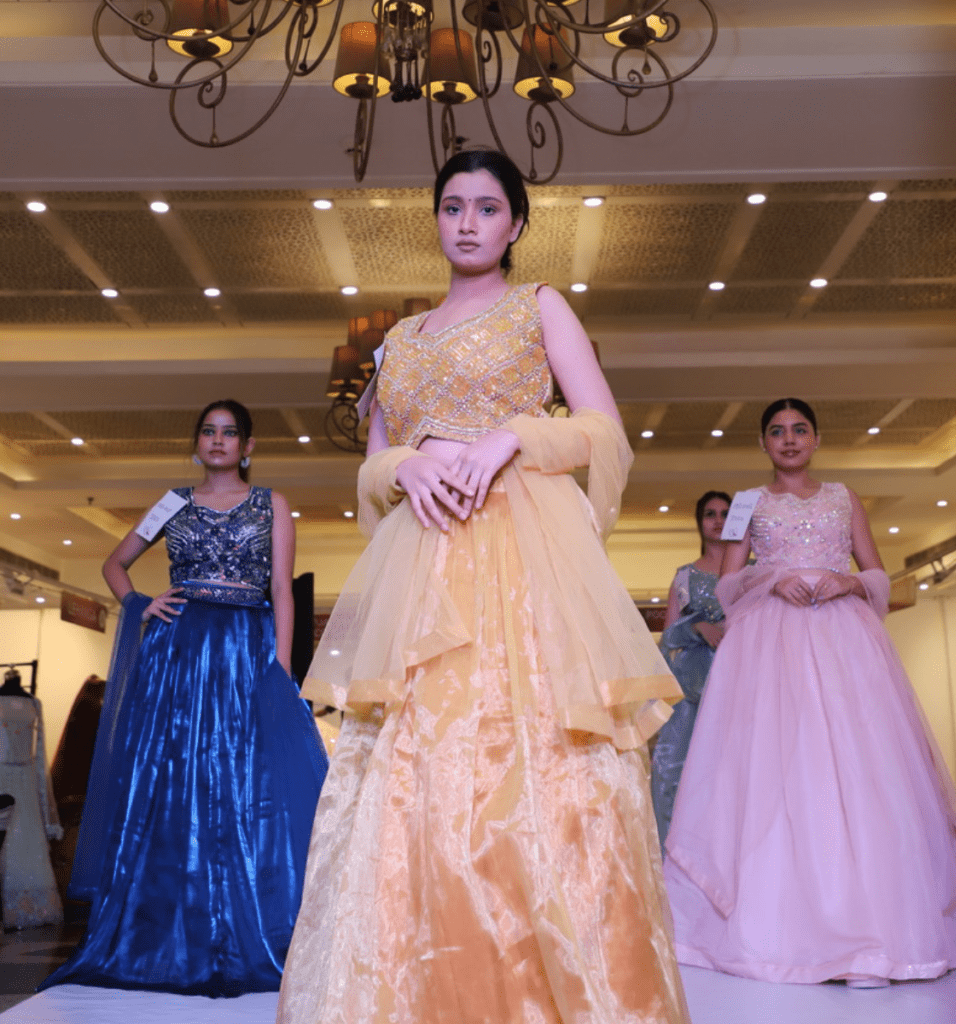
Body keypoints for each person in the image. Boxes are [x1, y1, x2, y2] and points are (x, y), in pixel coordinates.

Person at [276, 150, 689, 1024]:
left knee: (539, 771)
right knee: (410, 779)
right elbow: (374, 464)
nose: (468, 221)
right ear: (436, 219)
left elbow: (603, 432)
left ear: (516, 225)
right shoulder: (396, 341)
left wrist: (513, 439)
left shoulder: (538, 307)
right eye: (453, 206)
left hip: (523, 555)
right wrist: (404, 461)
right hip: (423, 565)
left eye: (488, 207)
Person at [663, 398, 956, 987]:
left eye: (800, 430)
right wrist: (775, 576)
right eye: (776, 432)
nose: (789, 440)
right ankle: (782, 926)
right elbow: (731, 582)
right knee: (779, 769)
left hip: (844, 638)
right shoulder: (746, 504)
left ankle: (874, 932)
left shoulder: (844, 498)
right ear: (763, 444)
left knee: (862, 770)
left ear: (816, 439)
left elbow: (878, 575)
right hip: (773, 644)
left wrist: (849, 581)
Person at [42, 399, 327, 996]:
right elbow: (115, 563)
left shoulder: (271, 503)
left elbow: (281, 590)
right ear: (197, 442)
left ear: (247, 447)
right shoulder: (173, 501)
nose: (218, 441)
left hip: (245, 647)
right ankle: (168, 930)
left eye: (230, 434)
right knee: (170, 781)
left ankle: (251, 924)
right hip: (178, 651)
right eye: (208, 431)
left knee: (247, 781)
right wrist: (140, 604)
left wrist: (280, 668)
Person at [650, 491, 730, 849]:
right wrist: (697, 626)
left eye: (725, 514)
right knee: (674, 772)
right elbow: (668, 637)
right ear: (699, 522)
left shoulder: (754, 573)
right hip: (692, 685)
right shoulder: (684, 577)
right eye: (710, 514)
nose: (717, 520)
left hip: (739, 681)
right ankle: (676, 865)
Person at [0, 666, 63, 929]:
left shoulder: (34, 704)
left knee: (26, 840)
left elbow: (39, 748)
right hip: (2, 775)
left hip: (25, 777)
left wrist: (40, 784)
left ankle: (31, 906)